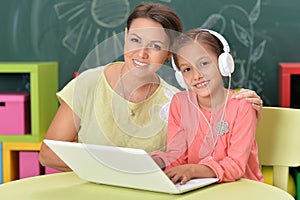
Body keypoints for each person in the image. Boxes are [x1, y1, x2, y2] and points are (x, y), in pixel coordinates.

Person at [39, 2, 263, 172]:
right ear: (125, 37)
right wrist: (111, 169)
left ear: (168, 55)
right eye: (135, 40)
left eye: (155, 46)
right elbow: (48, 154)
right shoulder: (88, 83)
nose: (142, 54)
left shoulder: (177, 102)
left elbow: (206, 151)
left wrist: (246, 106)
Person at [151, 29, 264, 184]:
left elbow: (235, 166)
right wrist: (156, 163)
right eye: (187, 69)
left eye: (204, 63)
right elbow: (177, 156)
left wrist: (192, 170)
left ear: (223, 63)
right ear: (180, 77)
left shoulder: (242, 105)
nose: (197, 75)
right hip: (199, 187)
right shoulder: (180, 103)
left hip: (241, 188)